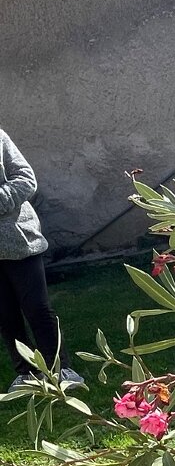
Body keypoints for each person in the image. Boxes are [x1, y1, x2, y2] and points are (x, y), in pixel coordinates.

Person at [0, 128, 84, 392]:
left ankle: (61, 369)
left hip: (19, 240)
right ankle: (26, 373)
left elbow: (26, 178)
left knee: (37, 308)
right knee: (5, 316)